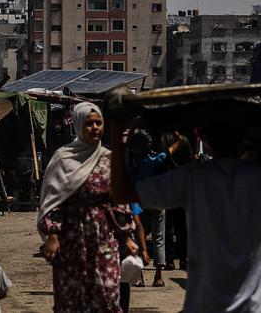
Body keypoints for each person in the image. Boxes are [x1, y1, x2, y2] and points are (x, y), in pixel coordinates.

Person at [111, 120, 261, 313]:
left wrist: (118, 136)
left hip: (204, 305)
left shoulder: (194, 177)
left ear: (202, 137)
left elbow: (121, 193)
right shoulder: (254, 177)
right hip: (252, 307)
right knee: (159, 238)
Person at [38, 102, 137, 313]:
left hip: (104, 240)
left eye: (98, 123)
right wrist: (53, 235)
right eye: (89, 123)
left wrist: (127, 236)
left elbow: (118, 201)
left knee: (108, 296)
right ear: (78, 124)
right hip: (72, 241)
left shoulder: (109, 158)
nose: (95, 128)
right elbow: (53, 200)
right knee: (73, 299)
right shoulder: (63, 159)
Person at [125, 128, 181, 286]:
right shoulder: (156, 158)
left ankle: (139, 276)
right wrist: (178, 137)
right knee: (159, 238)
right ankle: (158, 277)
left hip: (138, 201)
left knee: (138, 235)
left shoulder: (131, 162)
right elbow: (173, 147)